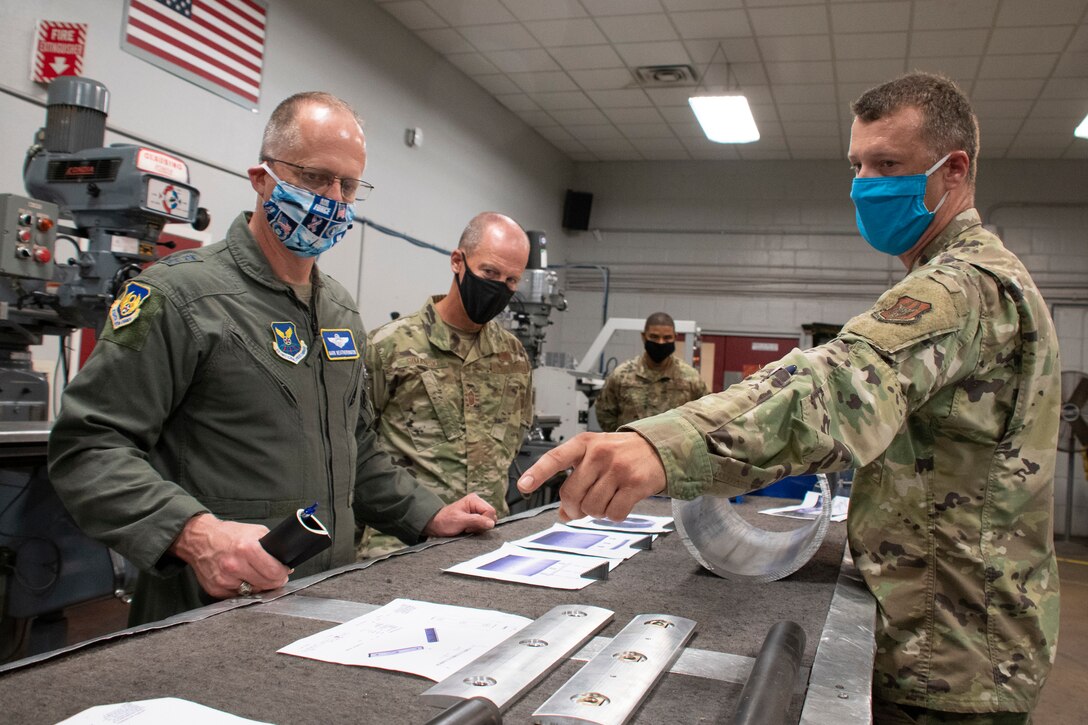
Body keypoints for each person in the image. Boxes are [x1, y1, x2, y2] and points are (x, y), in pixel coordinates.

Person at [517, 72, 1060, 723]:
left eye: (888, 164)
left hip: (949, 657)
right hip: (956, 631)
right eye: (857, 165)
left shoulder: (961, 286)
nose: (865, 184)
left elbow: (837, 388)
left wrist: (665, 443)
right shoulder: (976, 275)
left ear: (954, 171)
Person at [47, 91, 497, 625]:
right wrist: (195, 534)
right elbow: (90, 446)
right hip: (207, 612)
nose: (332, 199)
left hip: (325, 605)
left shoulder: (338, 310)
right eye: (313, 178)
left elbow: (355, 452)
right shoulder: (182, 296)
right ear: (262, 178)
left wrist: (428, 514)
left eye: (347, 185)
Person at [358, 213, 532, 557]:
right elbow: (358, 449)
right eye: (490, 273)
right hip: (400, 545)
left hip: (486, 544)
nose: (500, 287)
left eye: (512, 280)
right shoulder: (389, 346)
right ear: (458, 262)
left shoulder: (513, 356)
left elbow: (513, 440)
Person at [594, 312, 709, 432]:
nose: (660, 343)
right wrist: (621, 437)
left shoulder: (690, 378)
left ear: (675, 337)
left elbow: (706, 414)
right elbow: (604, 412)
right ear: (644, 336)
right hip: (631, 448)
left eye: (667, 338)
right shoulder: (622, 375)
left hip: (674, 449)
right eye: (654, 337)